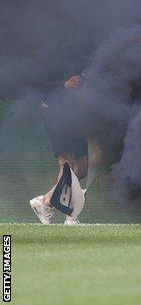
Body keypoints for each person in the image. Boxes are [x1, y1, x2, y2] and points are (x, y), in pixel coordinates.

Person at [30, 74, 91, 225]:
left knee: (82, 168)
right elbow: (36, 79)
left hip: (76, 113)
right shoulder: (46, 56)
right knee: (67, 165)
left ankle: (45, 202)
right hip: (55, 111)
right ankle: (69, 216)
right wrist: (63, 85)